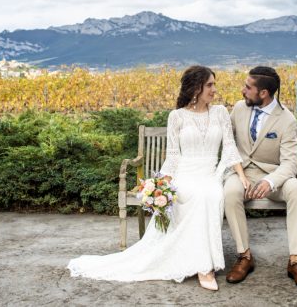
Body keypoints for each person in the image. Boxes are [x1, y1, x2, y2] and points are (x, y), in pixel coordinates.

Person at [68, 65, 248, 291]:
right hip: (185, 173)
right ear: (196, 88)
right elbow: (173, 156)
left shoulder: (221, 112)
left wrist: (241, 175)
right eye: (210, 85)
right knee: (195, 194)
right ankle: (204, 267)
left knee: (211, 194)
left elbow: (230, 148)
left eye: (214, 84)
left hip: (210, 173)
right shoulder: (177, 116)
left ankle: (205, 262)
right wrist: (160, 184)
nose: (214, 89)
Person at [223, 65, 297, 290]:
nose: (242, 91)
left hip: (273, 176)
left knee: (295, 189)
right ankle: (244, 256)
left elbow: (291, 163)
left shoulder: (287, 119)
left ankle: (295, 261)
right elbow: (227, 144)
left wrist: (270, 181)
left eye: (248, 87)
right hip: (243, 173)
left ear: (263, 93)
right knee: (229, 192)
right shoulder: (238, 109)